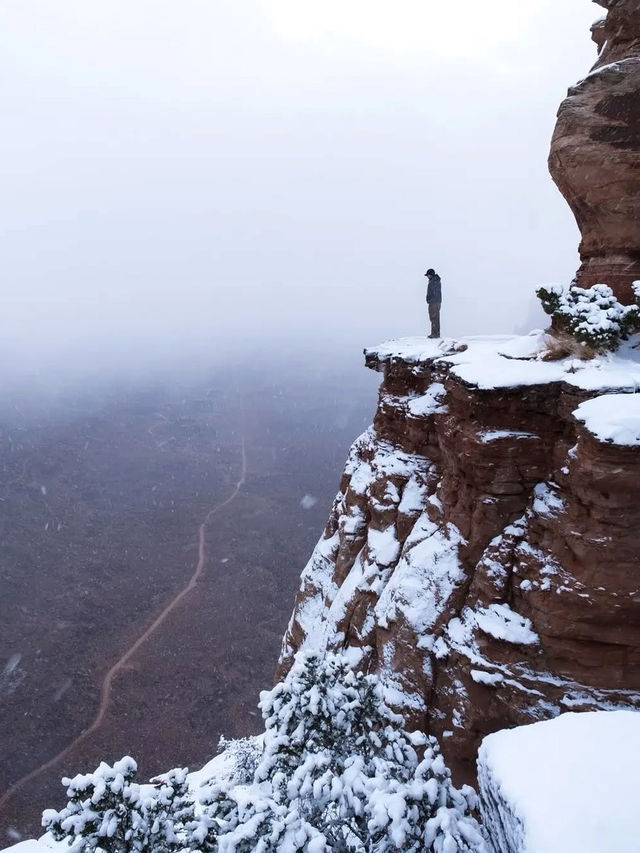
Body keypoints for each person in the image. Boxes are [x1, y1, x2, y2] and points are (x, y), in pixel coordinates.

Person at [425, 268, 442, 338]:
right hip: (434, 302)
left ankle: (435, 334)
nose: (427, 277)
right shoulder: (433, 280)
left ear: (431, 274)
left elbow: (434, 291)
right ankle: (434, 333)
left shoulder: (434, 281)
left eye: (428, 275)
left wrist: (431, 299)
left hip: (434, 302)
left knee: (434, 317)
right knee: (433, 318)